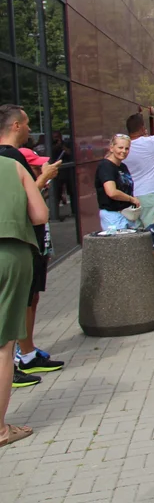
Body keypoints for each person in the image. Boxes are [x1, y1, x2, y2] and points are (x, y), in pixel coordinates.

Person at [0, 105, 63, 385]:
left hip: (17, 242)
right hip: (19, 245)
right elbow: (32, 207)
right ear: (15, 126)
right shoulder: (11, 158)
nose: (29, 130)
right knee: (18, 305)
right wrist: (44, 178)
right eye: (26, 124)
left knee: (25, 300)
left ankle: (25, 353)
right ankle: (15, 361)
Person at [0, 156, 49, 437]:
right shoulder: (12, 166)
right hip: (10, 252)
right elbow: (40, 215)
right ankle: (0, 430)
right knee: (4, 346)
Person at [95, 134, 140, 230]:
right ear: (111, 148)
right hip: (112, 215)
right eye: (120, 147)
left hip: (127, 214)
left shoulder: (123, 166)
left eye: (127, 148)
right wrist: (131, 199)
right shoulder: (105, 166)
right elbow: (111, 192)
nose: (123, 151)